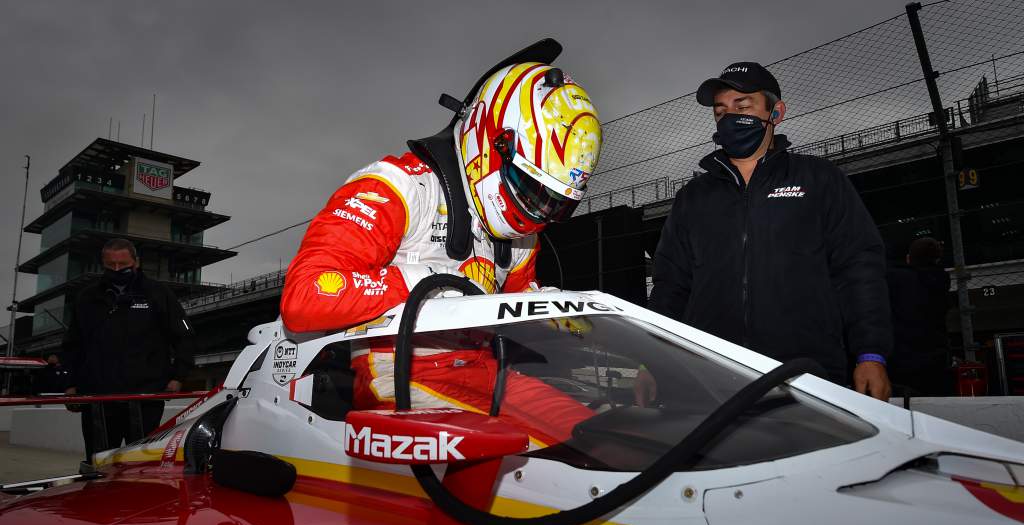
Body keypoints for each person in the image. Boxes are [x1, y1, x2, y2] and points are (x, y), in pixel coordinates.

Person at [281, 47, 602, 445]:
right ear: (489, 141)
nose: (539, 211)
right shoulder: (397, 187)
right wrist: (428, 280)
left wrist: (581, 322)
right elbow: (303, 298)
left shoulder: (522, 237)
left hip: (489, 374)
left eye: (554, 202)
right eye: (532, 189)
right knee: (528, 459)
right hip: (395, 375)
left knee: (601, 442)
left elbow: (521, 302)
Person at [644, 61, 892, 403]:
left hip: (808, 375)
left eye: (742, 107)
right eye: (721, 111)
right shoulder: (693, 197)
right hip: (709, 376)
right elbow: (671, 285)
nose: (729, 117)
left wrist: (871, 354)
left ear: (776, 112)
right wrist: (652, 362)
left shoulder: (819, 179)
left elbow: (858, 269)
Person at [63, 238, 195, 456]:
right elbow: (72, 344)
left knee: (142, 464)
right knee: (98, 463)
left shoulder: (159, 294)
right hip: (97, 399)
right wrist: (70, 383)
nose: (116, 270)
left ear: (136, 262)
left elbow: (185, 337)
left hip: (145, 397)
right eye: (110, 265)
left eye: (122, 265)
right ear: (103, 264)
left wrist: (178, 376)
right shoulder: (87, 297)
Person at [886, 237, 951, 396]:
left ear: (909, 257)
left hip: (904, 357)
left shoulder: (900, 279)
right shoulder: (941, 279)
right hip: (935, 356)